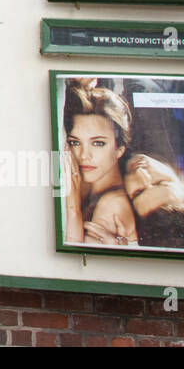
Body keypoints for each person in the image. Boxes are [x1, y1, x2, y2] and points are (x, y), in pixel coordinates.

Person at [61, 79, 138, 246]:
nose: (84, 155)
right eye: (75, 142)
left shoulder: (113, 205)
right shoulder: (90, 189)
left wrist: (73, 209)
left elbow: (76, 263)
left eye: (98, 143)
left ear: (120, 149)